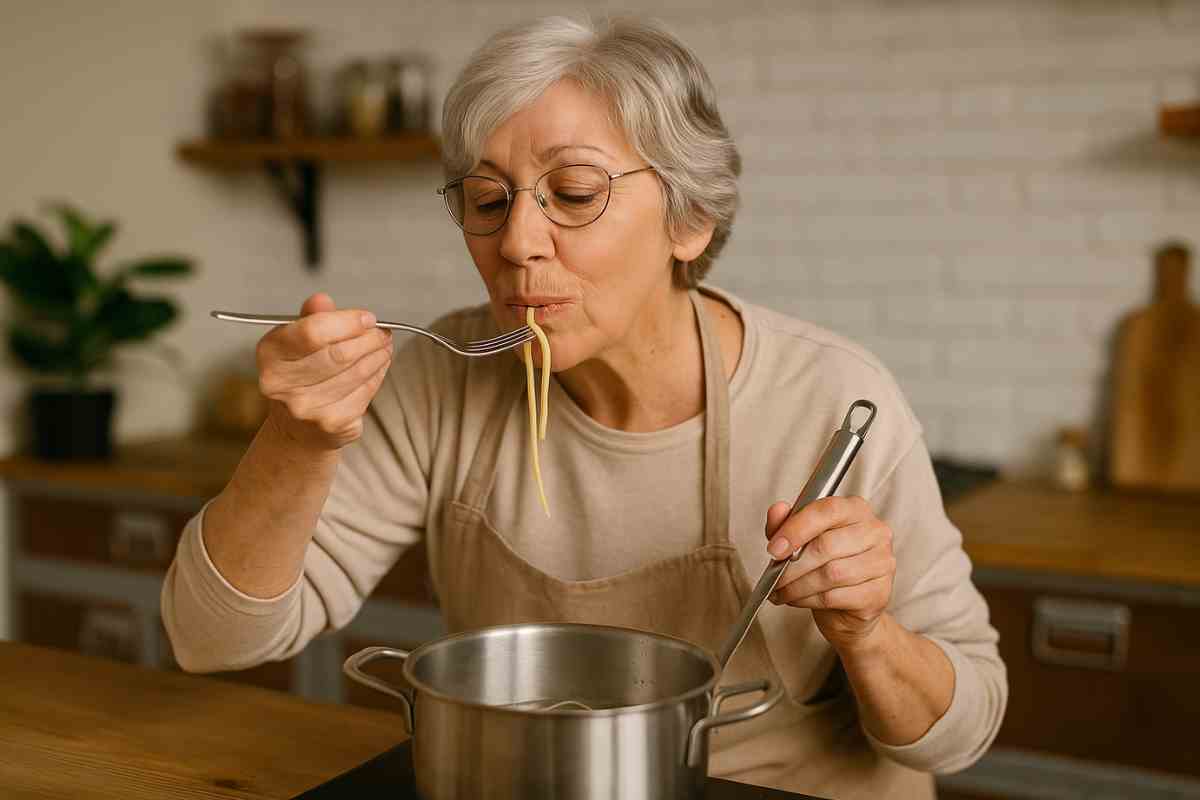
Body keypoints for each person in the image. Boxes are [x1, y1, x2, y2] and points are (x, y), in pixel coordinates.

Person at [162, 16, 1006, 798]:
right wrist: (295, 441)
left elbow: (963, 733)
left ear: (689, 220)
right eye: (488, 201)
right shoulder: (438, 383)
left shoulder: (831, 398)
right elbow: (211, 639)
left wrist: (867, 633)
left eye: (572, 193)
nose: (517, 243)